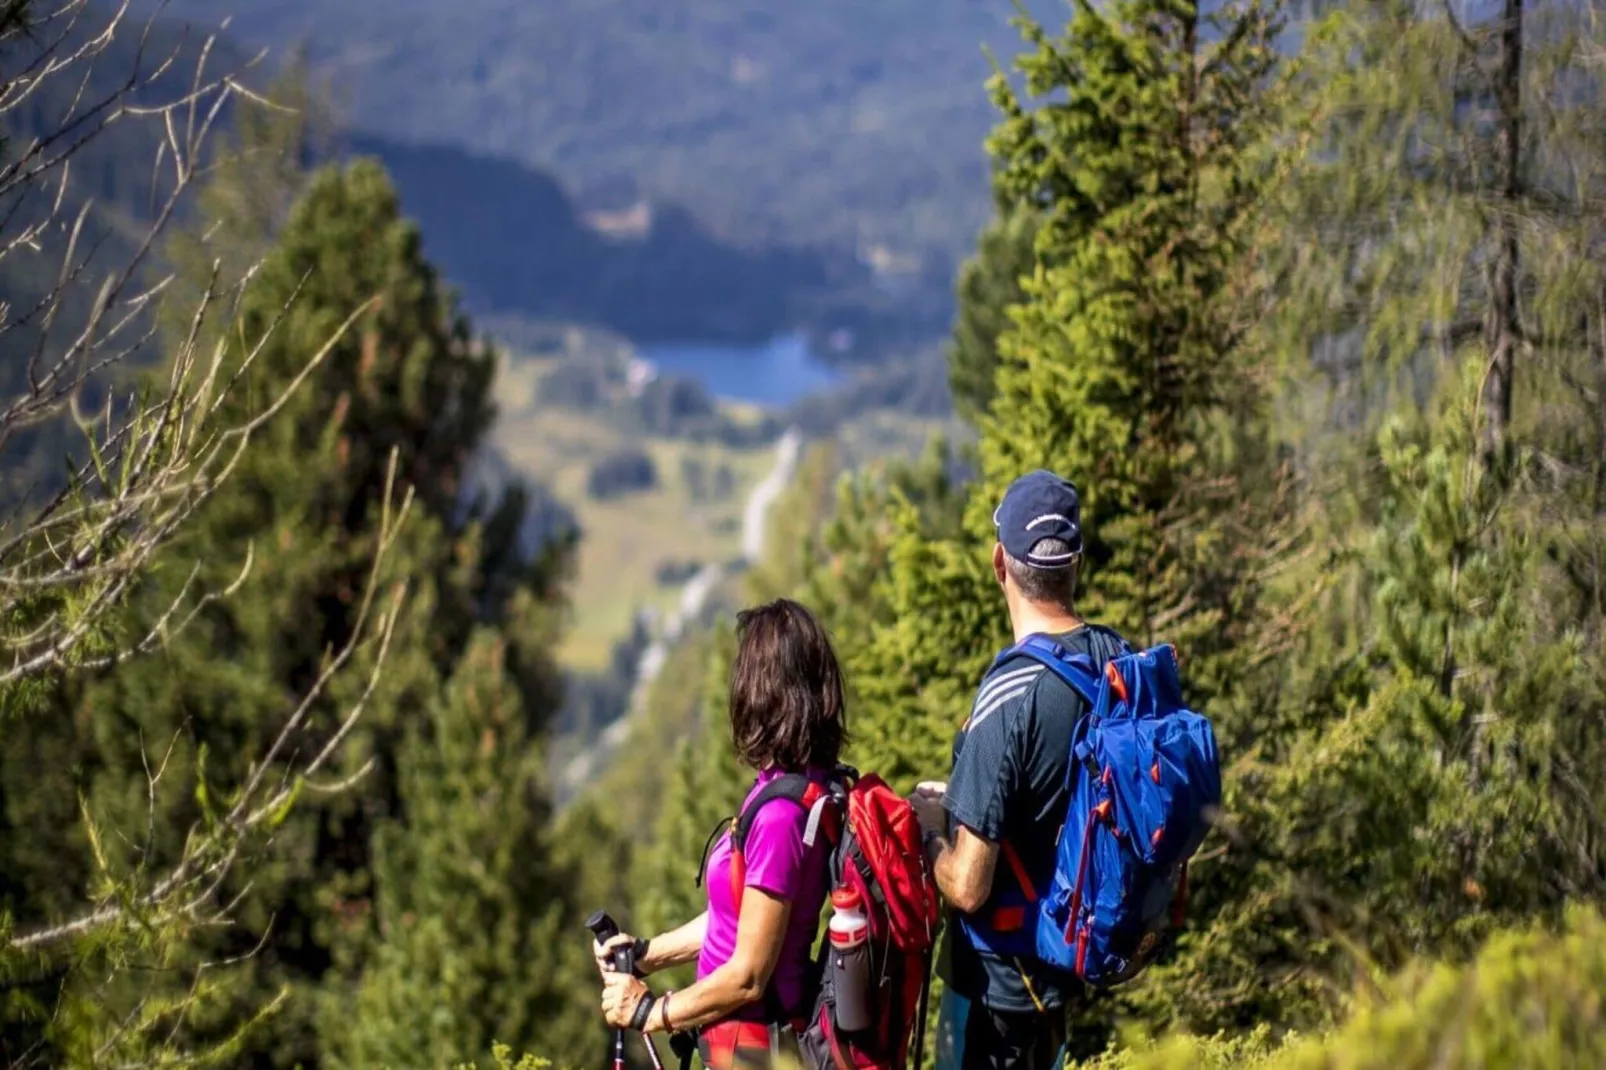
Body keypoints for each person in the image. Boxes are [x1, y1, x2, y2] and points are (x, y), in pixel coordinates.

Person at [908, 469, 1129, 1070]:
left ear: (999, 562)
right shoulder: (1116, 659)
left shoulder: (1008, 696)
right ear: (1075, 564)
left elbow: (968, 886)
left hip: (995, 990)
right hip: (1066, 966)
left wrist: (930, 831)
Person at [596, 598, 845, 1070]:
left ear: (761, 690)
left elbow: (748, 975)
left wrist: (651, 1010)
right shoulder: (791, 789)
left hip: (752, 1048)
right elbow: (735, 916)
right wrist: (647, 954)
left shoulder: (781, 818)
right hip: (744, 1040)